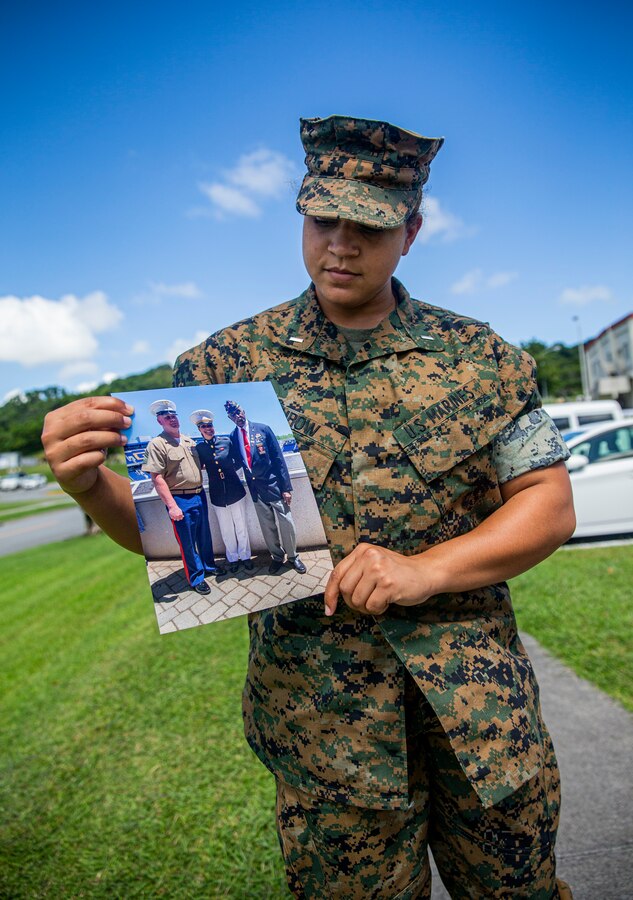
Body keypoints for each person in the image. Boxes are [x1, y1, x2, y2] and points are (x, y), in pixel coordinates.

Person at [41, 115, 576, 899]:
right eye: (322, 219)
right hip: (325, 738)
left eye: (368, 225)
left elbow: (547, 502)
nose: (340, 244)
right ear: (301, 215)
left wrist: (426, 570)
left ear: (412, 232)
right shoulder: (223, 366)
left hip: (478, 719)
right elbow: (176, 538)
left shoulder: (481, 357)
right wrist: (90, 484)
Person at [142, 399, 225, 594]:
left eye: (174, 416)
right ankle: (196, 578)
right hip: (179, 499)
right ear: (159, 421)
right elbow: (157, 478)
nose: (172, 419)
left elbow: (200, 465)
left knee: (204, 536)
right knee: (187, 541)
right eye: (167, 417)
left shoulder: (189, 441)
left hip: (199, 494)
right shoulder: (157, 444)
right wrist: (171, 506)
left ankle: (208, 566)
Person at [224, 400, 307, 576]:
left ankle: (293, 557)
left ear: (243, 410)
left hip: (274, 485)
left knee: (286, 522)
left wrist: (286, 488)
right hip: (255, 489)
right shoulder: (233, 436)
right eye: (233, 415)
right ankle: (277, 557)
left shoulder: (263, 429)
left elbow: (279, 459)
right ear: (229, 417)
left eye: (238, 412)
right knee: (267, 527)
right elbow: (237, 462)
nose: (237, 416)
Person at [190, 408, 253, 574]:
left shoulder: (226, 441)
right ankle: (232, 558)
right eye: (204, 427)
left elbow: (239, 460)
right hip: (217, 494)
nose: (208, 428)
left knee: (241, 525)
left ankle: (245, 556)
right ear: (199, 429)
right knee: (226, 529)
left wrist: (230, 471)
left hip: (235, 490)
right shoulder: (199, 448)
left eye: (210, 425)